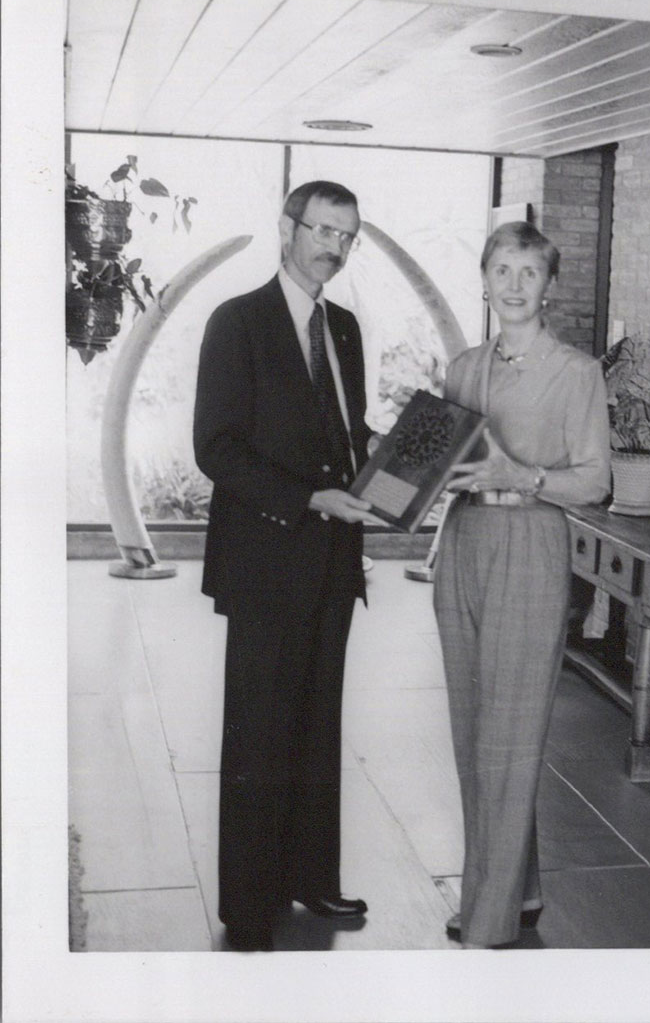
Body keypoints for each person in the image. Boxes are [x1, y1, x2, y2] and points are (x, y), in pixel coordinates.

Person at [194, 180, 382, 951]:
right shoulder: (235, 322)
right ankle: (248, 902)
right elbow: (217, 449)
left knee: (316, 725)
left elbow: (348, 431)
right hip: (266, 559)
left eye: (347, 235)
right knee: (258, 733)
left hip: (335, 563)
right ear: (287, 228)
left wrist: (392, 469)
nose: (332, 247)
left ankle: (311, 878)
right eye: (322, 230)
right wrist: (311, 499)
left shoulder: (343, 327)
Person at [433, 221, 611, 949]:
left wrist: (525, 475)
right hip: (464, 542)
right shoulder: (463, 369)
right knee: (476, 727)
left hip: (531, 541)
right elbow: (450, 466)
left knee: (511, 730)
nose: (513, 285)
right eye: (501, 270)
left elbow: (595, 480)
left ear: (549, 286)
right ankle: (519, 884)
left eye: (528, 273)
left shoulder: (576, 371)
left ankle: (490, 914)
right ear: (484, 279)